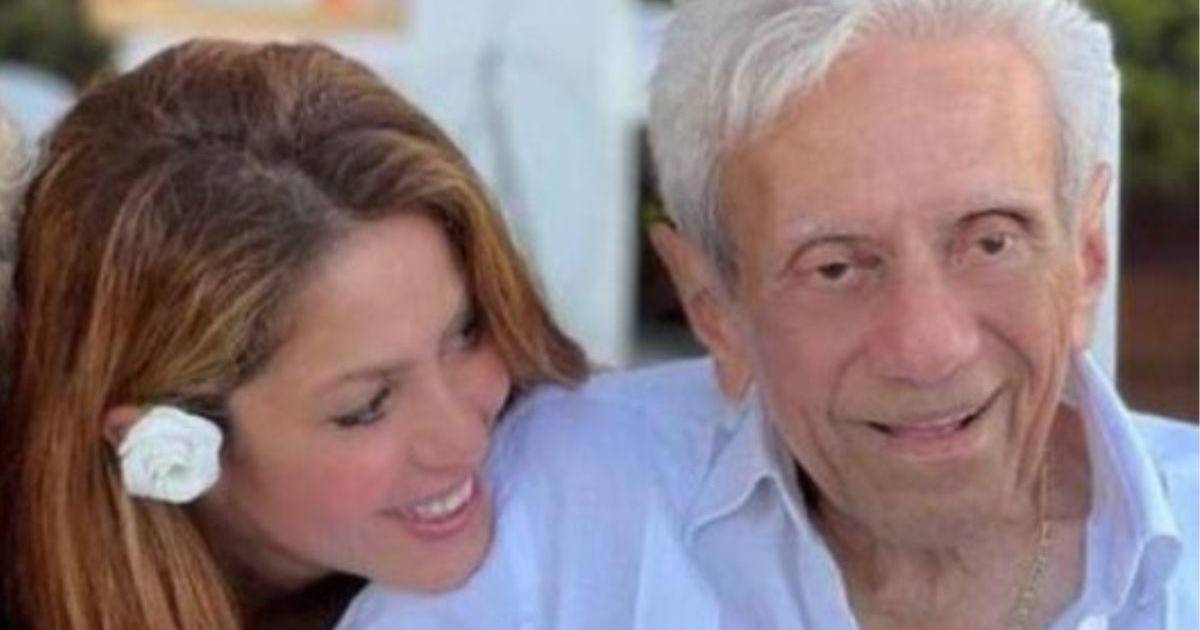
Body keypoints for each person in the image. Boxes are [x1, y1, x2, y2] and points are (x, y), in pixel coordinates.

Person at [337, 0, 1198, 628]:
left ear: (1086, 257)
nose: (928, 347)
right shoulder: (548, 516)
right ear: (712, 306)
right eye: (835, 267)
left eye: (991, 241)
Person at [0, 39, 585, 630]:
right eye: (366, 407)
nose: (464, 439)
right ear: (163, 444)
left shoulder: (588, 485)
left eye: (465, 333)